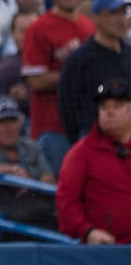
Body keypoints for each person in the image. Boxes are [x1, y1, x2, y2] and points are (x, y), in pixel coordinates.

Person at [21, 0, 94, 175]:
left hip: (86, 126)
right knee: (56, 197)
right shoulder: (38, 28)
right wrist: (74, 73)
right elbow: (36, 80)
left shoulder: (88, 26)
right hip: (52, 130)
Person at [0, 95, 57, 239]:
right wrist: (9, 170)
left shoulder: (30, 147)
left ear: (20, 124)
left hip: (38, 217)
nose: (8, 128)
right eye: (1, 122)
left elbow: (48, 179)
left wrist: (29, 186)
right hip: (3, 224)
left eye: (12, 121)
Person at [56, 79, 131, 244]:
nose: (109, 112)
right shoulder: (81, 153)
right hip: (105, 251)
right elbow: (66, 201)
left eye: (117, 106)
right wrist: (87, 231)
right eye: (104, 107)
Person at [59, 0, 131, 144]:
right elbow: (67, 107)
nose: (120, 20)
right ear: (96, 19)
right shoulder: (79, 60)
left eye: (123, 13)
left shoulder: (129, 53)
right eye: (112, 14)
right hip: (96, 141)